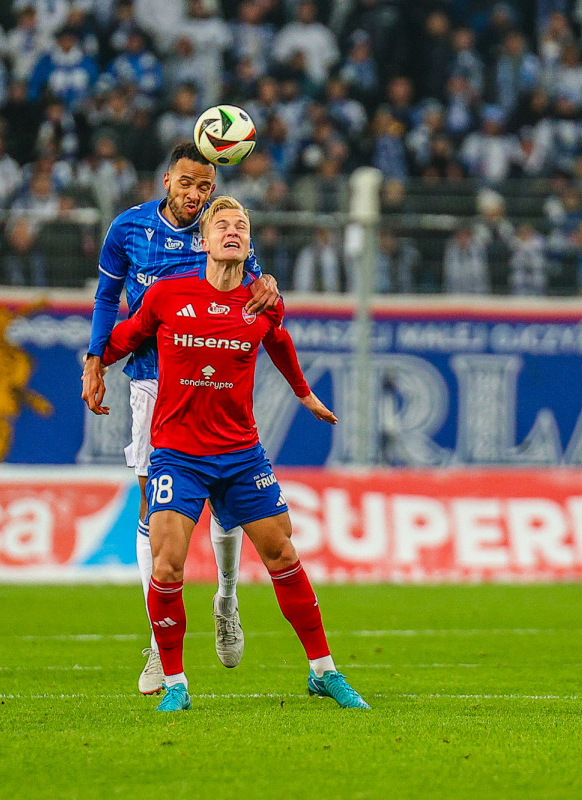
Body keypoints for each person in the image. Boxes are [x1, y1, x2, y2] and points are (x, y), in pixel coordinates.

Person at [99, 196, 369, 712]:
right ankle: (175, 683)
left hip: (241, 454)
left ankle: (323, 671)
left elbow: (280, 341)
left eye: (241, 226)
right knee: (167, 565)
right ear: (202, 241)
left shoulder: (259, 302)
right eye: (221, 224)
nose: (232, 231)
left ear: (249, 244)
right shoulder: (167, 295)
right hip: (178, 455)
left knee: (283, 554)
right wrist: (95, 364)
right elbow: (126, 336)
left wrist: (303, 393)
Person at [80, 142, 281, 695]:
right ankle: (157, 641)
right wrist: (96, 358)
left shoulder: (219, 228)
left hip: (214, 381)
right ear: (167, 179)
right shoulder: (128, 228)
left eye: (205, 187)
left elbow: (260, 294)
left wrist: (268, 285)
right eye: (187, 183)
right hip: (152, 383)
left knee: (226, 500)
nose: (196, 195)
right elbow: (107, 297)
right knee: (152, 507)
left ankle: (226, 599)